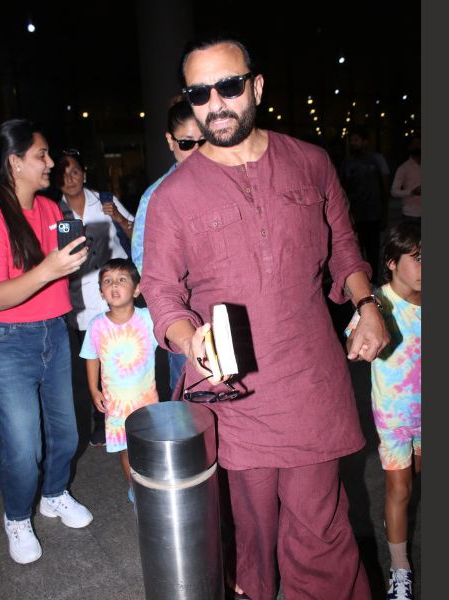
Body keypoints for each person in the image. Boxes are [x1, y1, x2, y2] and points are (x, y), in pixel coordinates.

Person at [140, 36, 390, 600]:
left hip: (309, 381)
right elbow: (161, 290)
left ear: (256, 86)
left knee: (321, 530)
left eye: (228, 87)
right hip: (232, 391)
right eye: (199, 94)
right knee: (248, 536)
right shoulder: (173, 197)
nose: (215, 104)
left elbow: (344, 248)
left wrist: (367, 305)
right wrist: (189, 340)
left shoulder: (311, 162)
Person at [0, 119, 94, 565]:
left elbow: (60, 264)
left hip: (54, 331)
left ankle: (53, 494)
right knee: (24, 446)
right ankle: (16, 516)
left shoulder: (51, 208)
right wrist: (48, 269)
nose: (52, 163)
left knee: (67, 432)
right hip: (6, 342)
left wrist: (71, 259)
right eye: (42, 155)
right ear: (15, 162)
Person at [347, 221, 421, 600]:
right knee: (399, 489)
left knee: (415, 482)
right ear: (391, 262)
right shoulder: (378, 303)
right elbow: (354, 336)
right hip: (394, 419)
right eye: (418, 258)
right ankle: (400, 568)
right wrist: (359, 341)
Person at [52, 150, 135, 447]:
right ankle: (101, 418)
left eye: (75, 171)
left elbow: (137, 234)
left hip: (116, 293)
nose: (70, 178)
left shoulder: (104, 200)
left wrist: (118, 218)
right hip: (82, 299)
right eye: (63, 174)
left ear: (84, 174)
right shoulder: (53, 212)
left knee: (122, 354)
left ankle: (131, 410)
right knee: (93, 360)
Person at [131, 98, 205, 398]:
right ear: (170, 141)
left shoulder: (229, 183)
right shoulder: (155, 197)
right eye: (187, 143)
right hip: (185, 316)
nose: (197, 151)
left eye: (204, 141)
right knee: (191, 401)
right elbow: (144, 264)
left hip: (231, 312)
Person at [79, 259, 159, 504]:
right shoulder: (97, 325)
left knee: (151, 448)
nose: (114, 285)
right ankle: (135, 488)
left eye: (122, 279)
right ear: (101, 292)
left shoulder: (149, 319)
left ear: (137, 289)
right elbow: (91, 357)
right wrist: (93, 389)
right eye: (107, 281)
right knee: (127, 450)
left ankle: (155, 484)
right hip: (117, 408)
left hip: (147, 405)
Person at [339, 125, 390, 283]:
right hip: (355, 216)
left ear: (365, 141)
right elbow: (342, 191)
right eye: (351, 140)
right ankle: (361, 284)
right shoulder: (347, 163)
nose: (353, 143)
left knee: (373, 251)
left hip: (373, 214)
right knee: (356, 253)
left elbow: (385, 188)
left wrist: (384, 213)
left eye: (356, 140)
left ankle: (375, 283)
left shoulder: (377, 159)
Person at [390, 134, 421, 223]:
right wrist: (412, 192)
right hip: (411, 214)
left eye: (419, 143)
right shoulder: (403, 168)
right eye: (414, 144)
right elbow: (394, 191)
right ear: (409, 147)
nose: (417, 146)